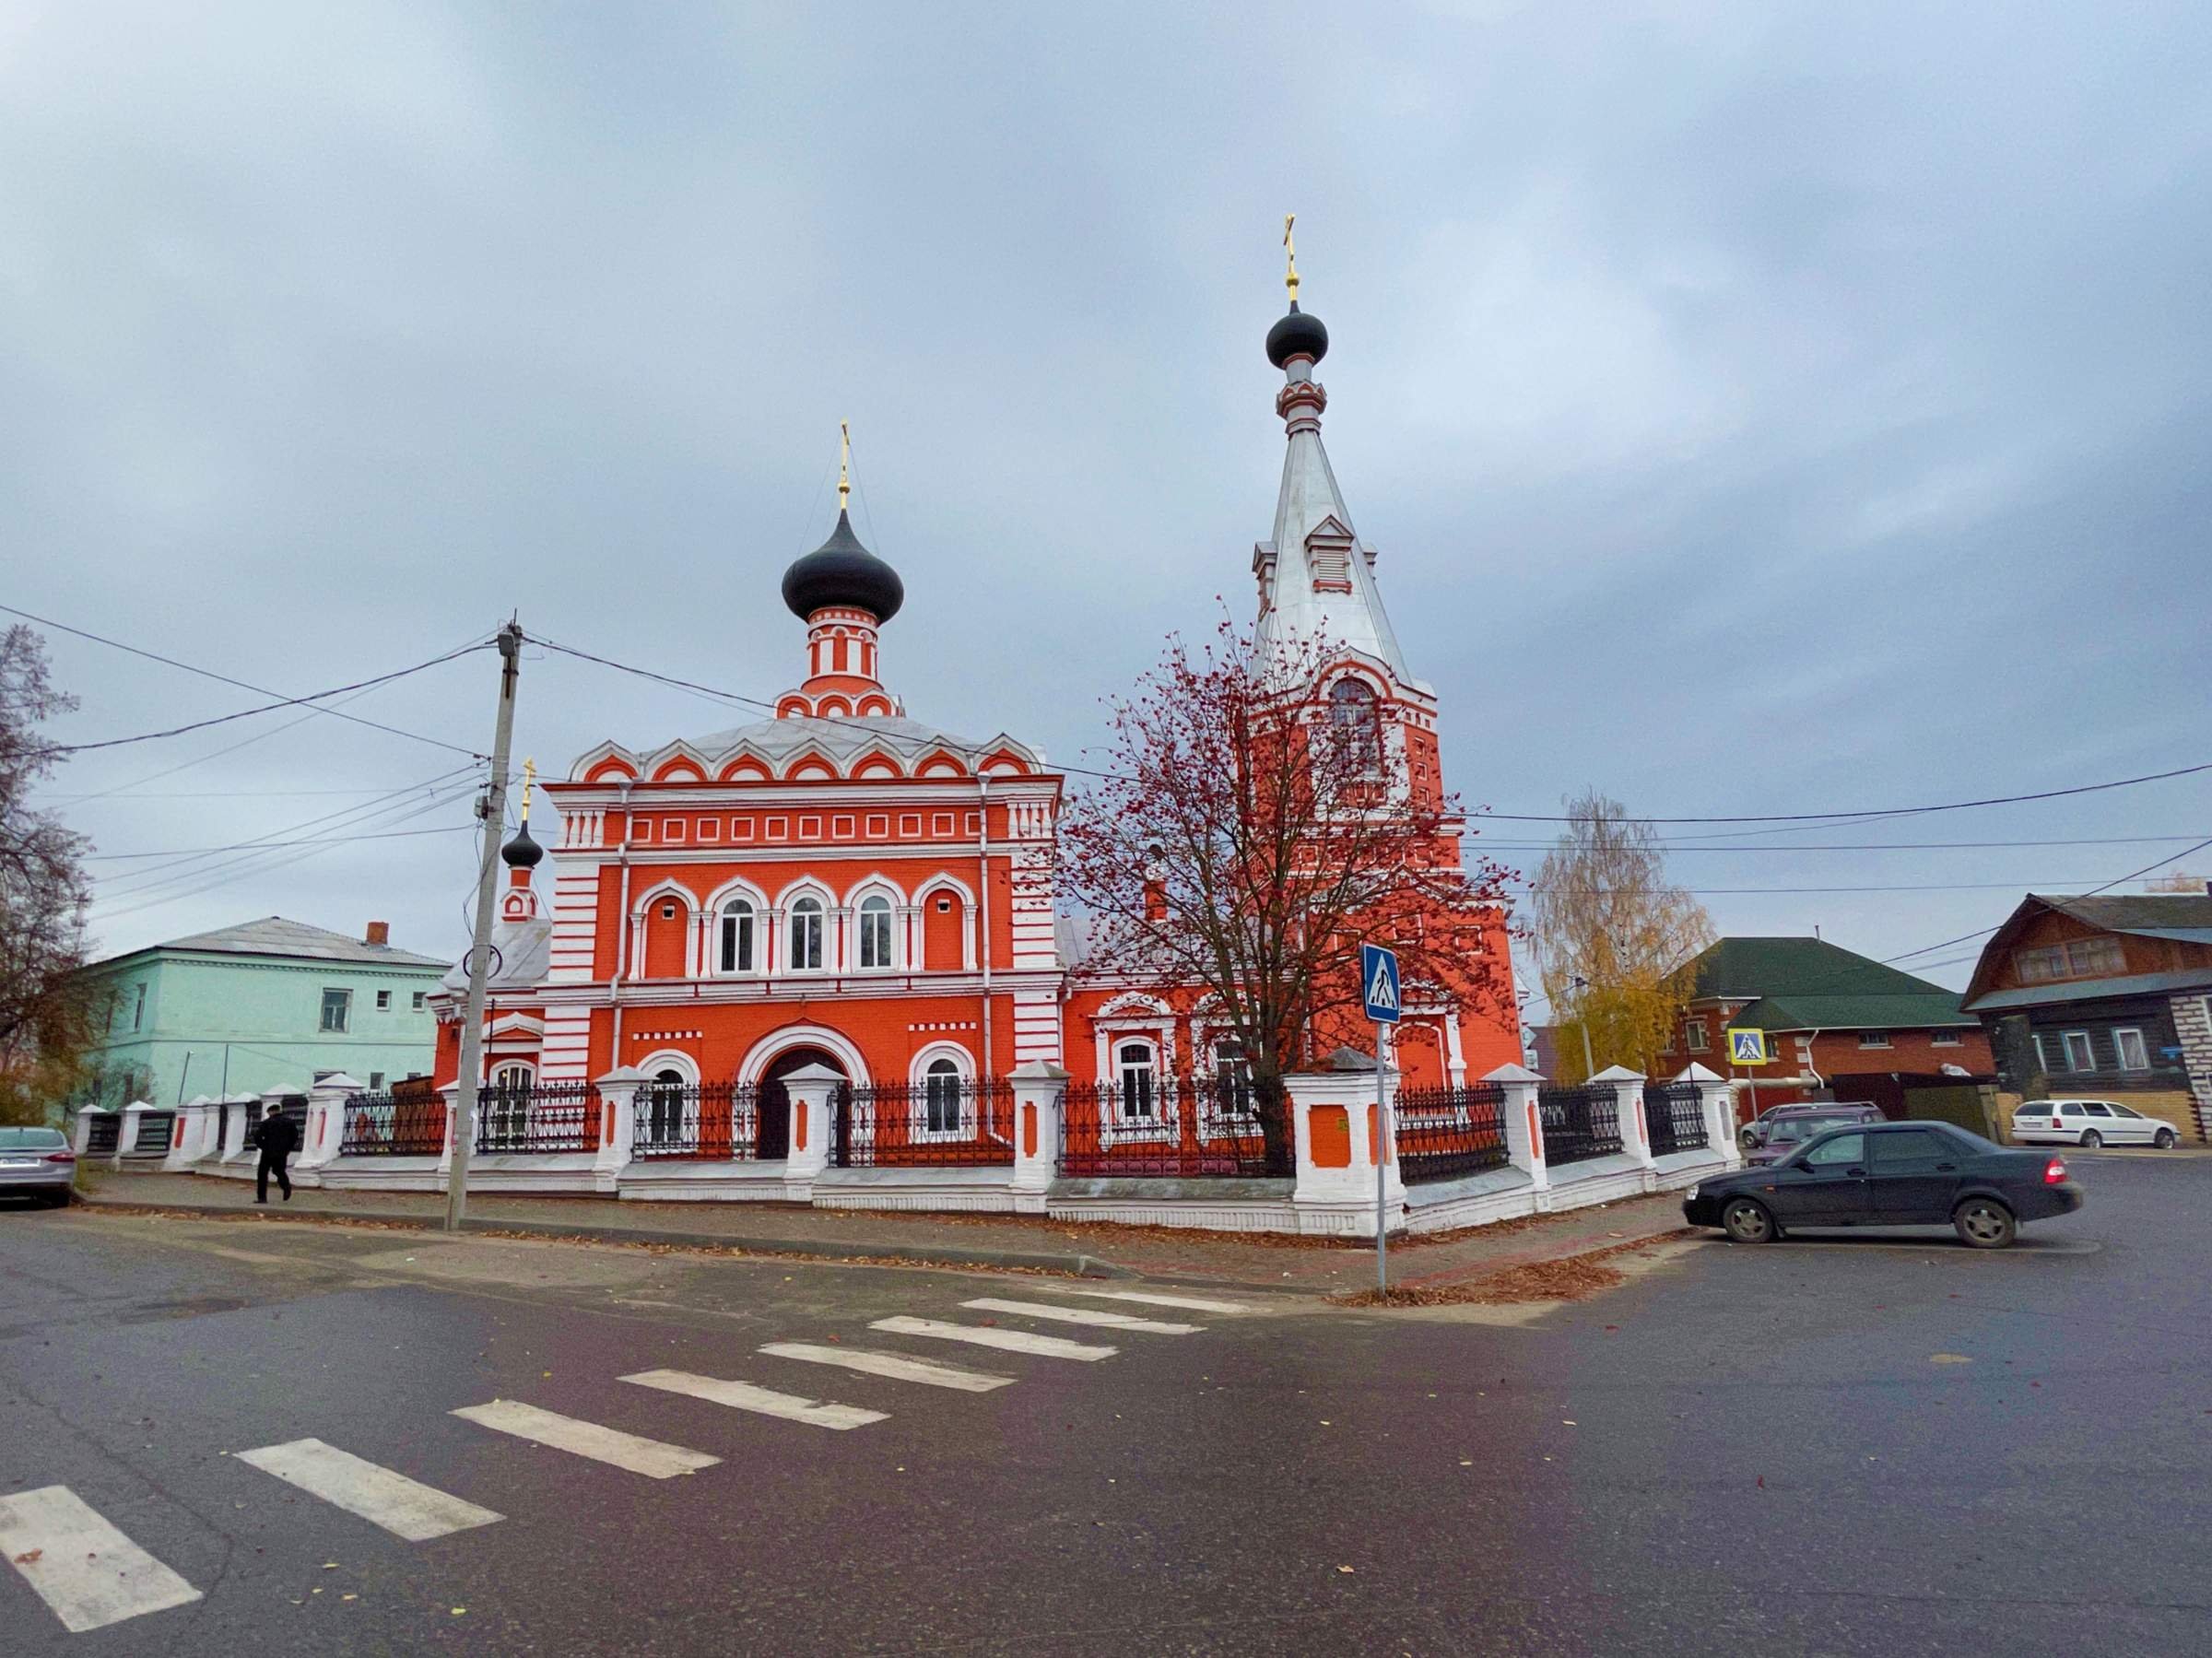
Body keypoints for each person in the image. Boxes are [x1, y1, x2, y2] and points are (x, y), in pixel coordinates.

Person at [255, 1101, 299, 1204]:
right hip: (282, 1152)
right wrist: (288, 1148)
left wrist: (263, 1146)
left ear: (270, 1112)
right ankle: (286, 1186)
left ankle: (262, 1198)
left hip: (268, 1152)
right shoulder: (290, 1122)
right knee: (279, 1171)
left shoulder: (266, 1123)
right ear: (279, 1111)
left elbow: (257, 1137)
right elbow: (295, 1137)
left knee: (262, 1174)